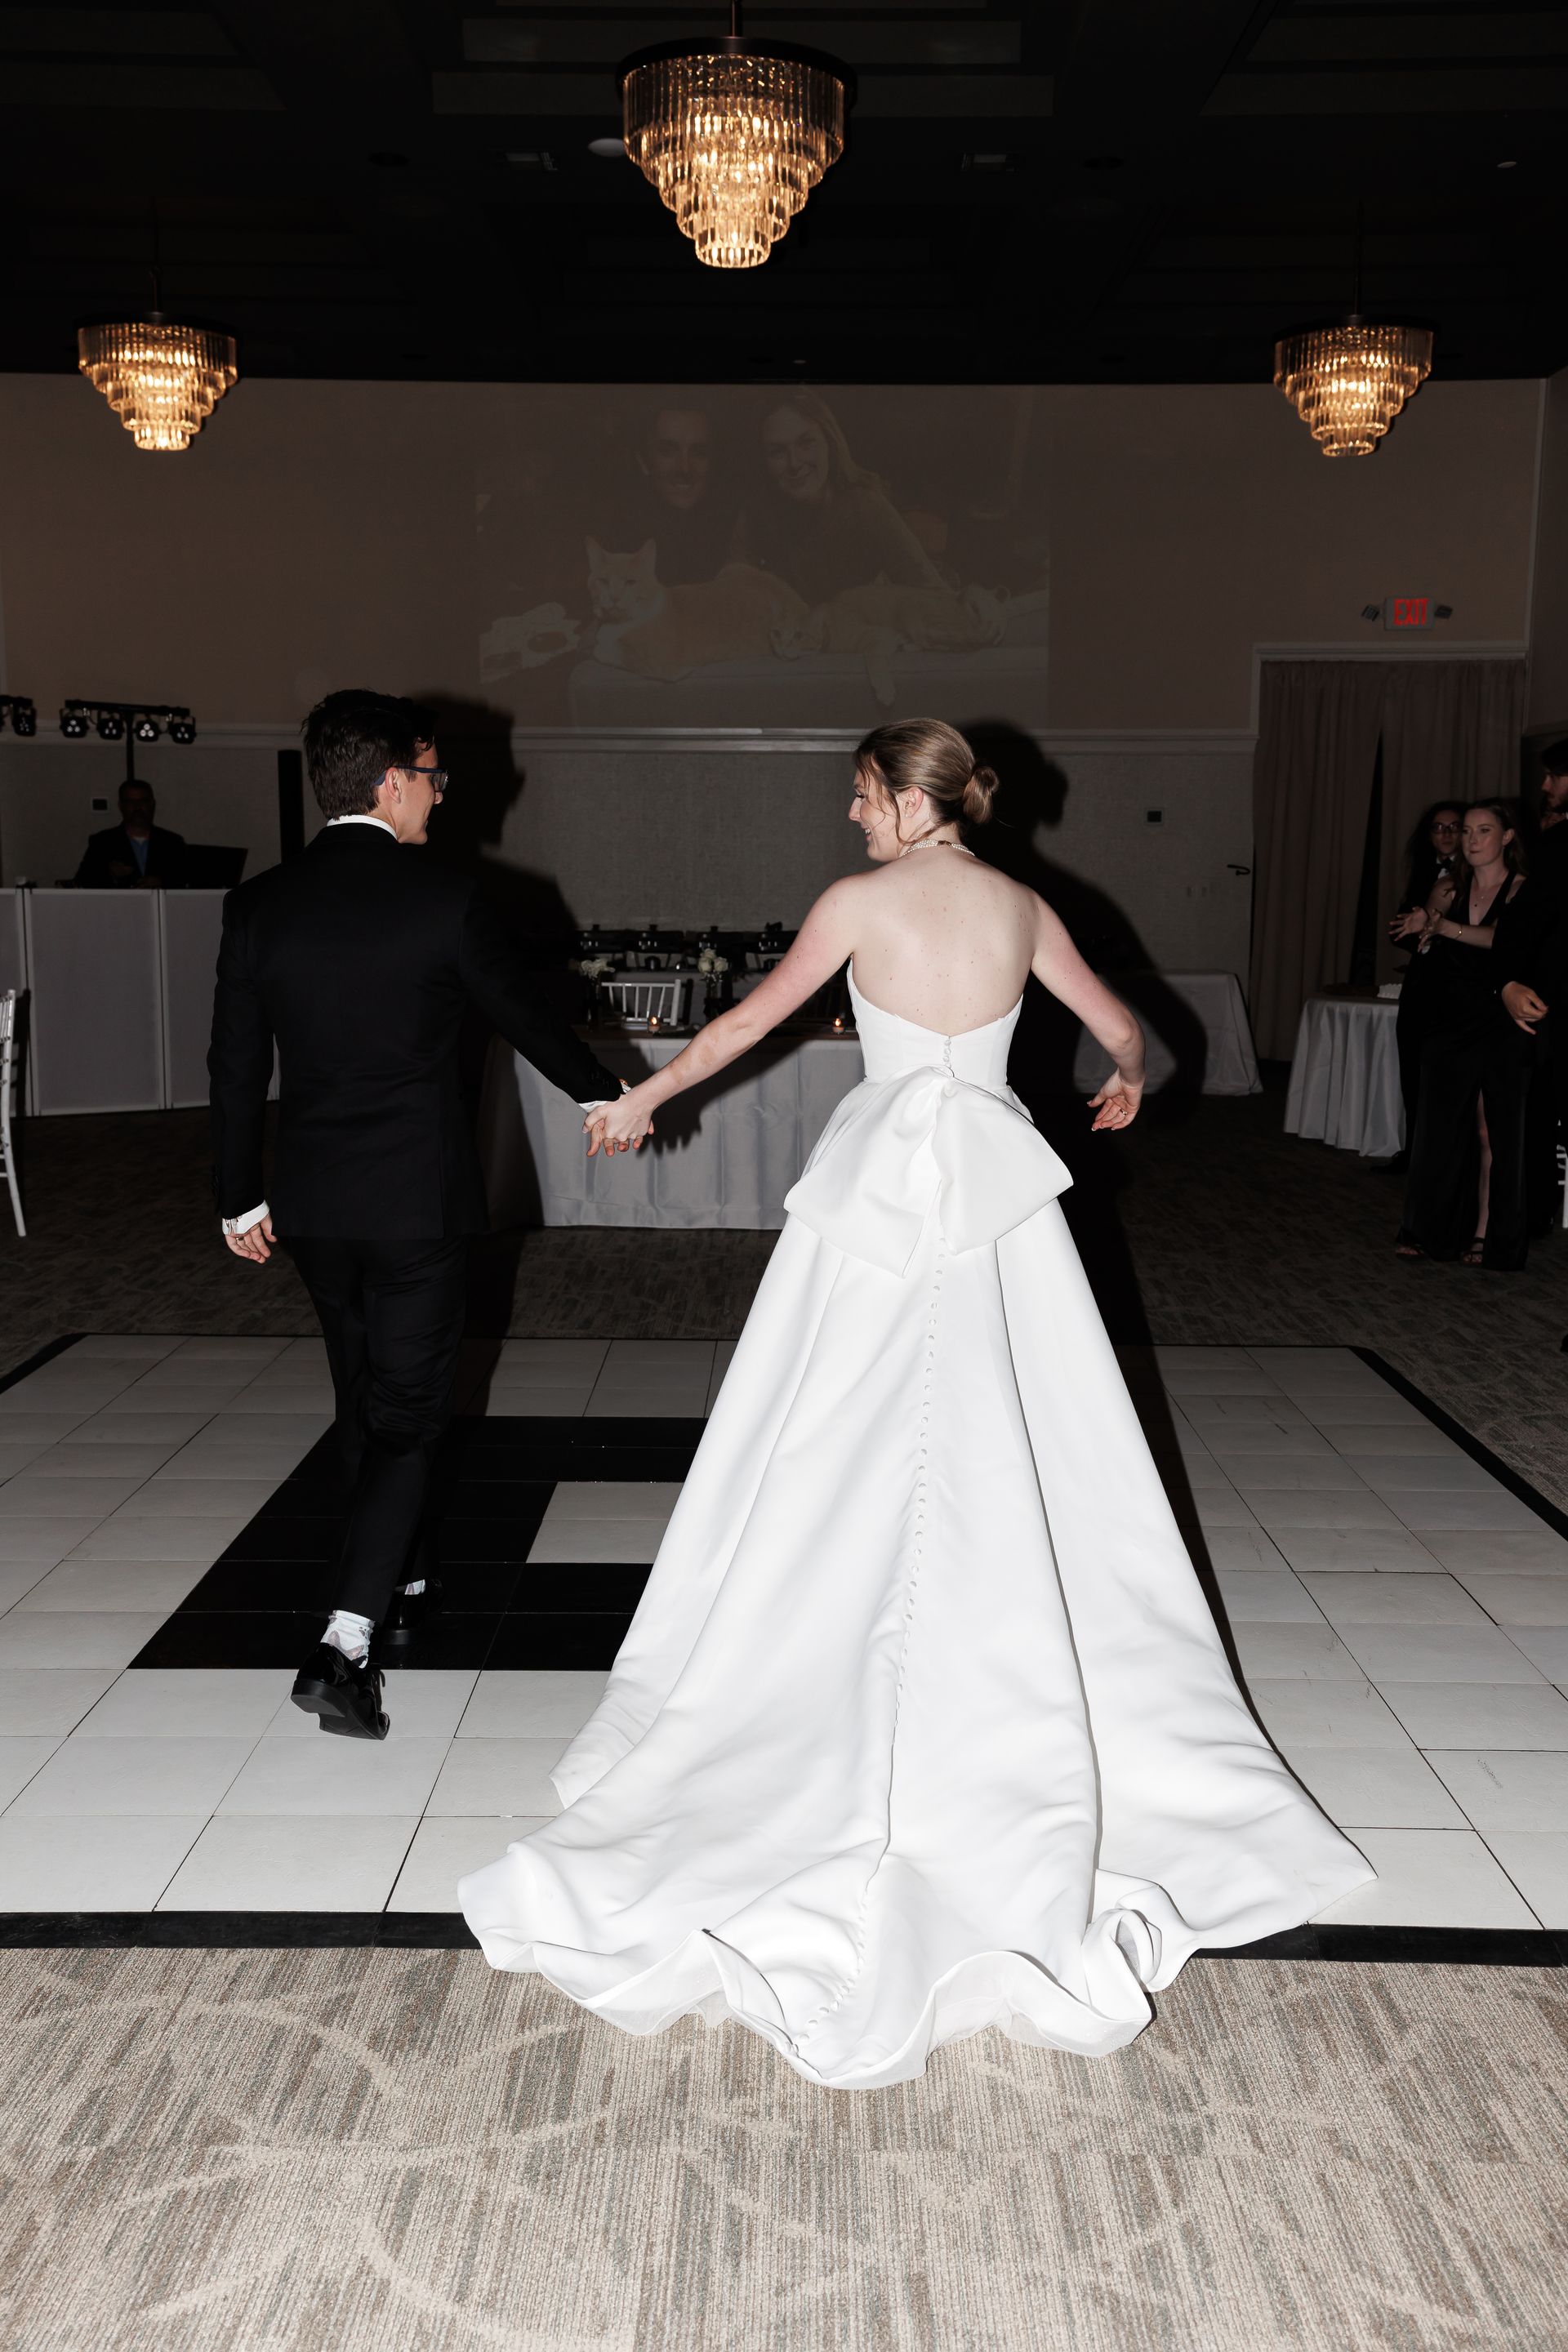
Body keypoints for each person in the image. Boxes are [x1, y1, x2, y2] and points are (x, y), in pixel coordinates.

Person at [462, 716, 1371, 2089]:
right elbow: (1136, 1032)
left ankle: (817, 1653)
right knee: (1032, 1429)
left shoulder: (860, 905)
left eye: (859, 798)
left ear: (898, 796)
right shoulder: (1019, 903)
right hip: (998, 1190)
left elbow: (747, 1030)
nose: (852, 820)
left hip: (879, 1197)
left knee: (833, 1434)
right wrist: (1124, 1079)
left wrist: (641, 1100)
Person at [207, 690, 627, 1741]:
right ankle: (345, 1638)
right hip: (414, 1203)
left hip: (308, 1203)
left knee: (362, 1390)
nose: (443, 795)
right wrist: (604, 1095)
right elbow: (527, 1016)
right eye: (434, 778)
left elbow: (231, 1064)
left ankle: (401, 1568)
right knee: (407, 1416)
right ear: (391, 780)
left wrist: (234, 1194)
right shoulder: (447, 899)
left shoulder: (260, 903)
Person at [1396, 801, 1533, 1269]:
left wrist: (1443, 927)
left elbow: (1502, 940)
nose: (1471, 840)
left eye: (1483, 830)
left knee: (1489, 1129)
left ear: (1507, 838)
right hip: (1448, 1019)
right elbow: (1426, 945)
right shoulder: (1446, 888)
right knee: (1438, 1129)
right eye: (1467, 831)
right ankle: (1429, 1228)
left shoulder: (1522, 892)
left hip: (1498, 1017)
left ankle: (1485, 1232)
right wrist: (1423, 929)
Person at [732, 392, 944, 606]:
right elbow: (732, 598)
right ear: (763, 461)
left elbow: (934, 595)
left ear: (830, 444)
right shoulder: (754, 515)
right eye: (777, 452)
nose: (794, 463)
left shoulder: (864, 506)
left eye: (806, 442)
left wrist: (857, 602)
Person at [1499, 742, 1568, 1334]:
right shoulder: (1558, 845)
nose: (1547, 786)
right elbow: (1522, 926)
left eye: (1555, 775)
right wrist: (1508, 982)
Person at [1387, 803, 1464, 1169]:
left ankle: (1446, 1159)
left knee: (1451, 1074)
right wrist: (1418, 936)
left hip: (1459, 987)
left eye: (1455, 827)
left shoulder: (1482, 876)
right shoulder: (1424, 874)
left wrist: (1437, 934)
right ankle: (1414, 1152)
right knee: (1412, 1067)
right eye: (1438, 827)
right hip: (1421, 984)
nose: (1447, 834)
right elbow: (1400, 929)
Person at [73, 780, 187, 888]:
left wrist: (162, 882)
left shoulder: (172, 842)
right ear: (121, 806)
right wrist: (110, 874)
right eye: (130, 802)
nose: (137, 807)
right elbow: (82, 882)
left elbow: (187, 881)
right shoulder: (102, 842)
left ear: (152, 804)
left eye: (142, 801)